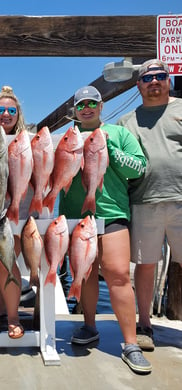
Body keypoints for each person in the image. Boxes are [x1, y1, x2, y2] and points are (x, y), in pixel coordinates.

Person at [59, 85, 152, 374]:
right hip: (75, 215)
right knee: (84, 273)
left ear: (101, 106)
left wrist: (110, 148)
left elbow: (138, 168)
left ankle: (130, 343)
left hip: (112, 213)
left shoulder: (120, 133)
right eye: (81, 104)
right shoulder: (66, 136)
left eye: (92, 103)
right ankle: (89, 326)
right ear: (75, 109)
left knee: (118, 274)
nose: (87, 108)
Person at [117, 59, 182, 352]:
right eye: (147, 78)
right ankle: (144, 324)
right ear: (138, 84)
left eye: (159, 76)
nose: (153, 81)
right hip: (143, 201)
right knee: (145, 266)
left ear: (168, 80)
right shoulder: (126, 122)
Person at [0, 86, 28, 339]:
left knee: (6, 261)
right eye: (2, 110)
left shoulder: (27, 140)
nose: (7, 114)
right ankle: (1, 307)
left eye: (12, 110)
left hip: (18, 212)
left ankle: (13, 316)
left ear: (18, 113)